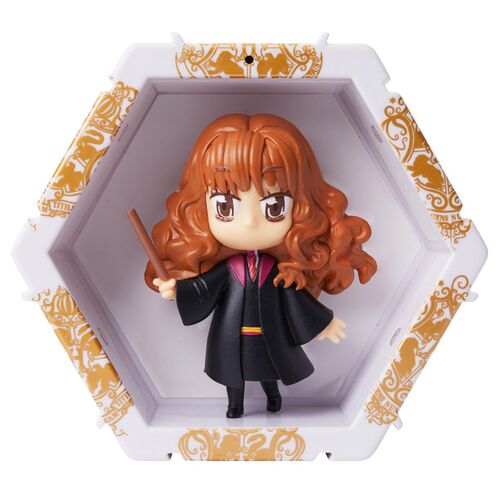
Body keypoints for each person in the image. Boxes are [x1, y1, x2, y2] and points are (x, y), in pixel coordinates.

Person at [145, 113, 377, 418]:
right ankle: (235, 406)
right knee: (233, 374)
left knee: (271, 370)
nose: (250, 222)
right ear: (202, 207)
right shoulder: (229, 269)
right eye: (225, 206)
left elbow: (294, 300)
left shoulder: (276, 269)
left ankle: (274, 399)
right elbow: (204, 287)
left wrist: (322, 322)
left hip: (270, 336)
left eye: (274, 206)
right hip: (231, 336)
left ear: (301, 207)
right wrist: (179, 288)